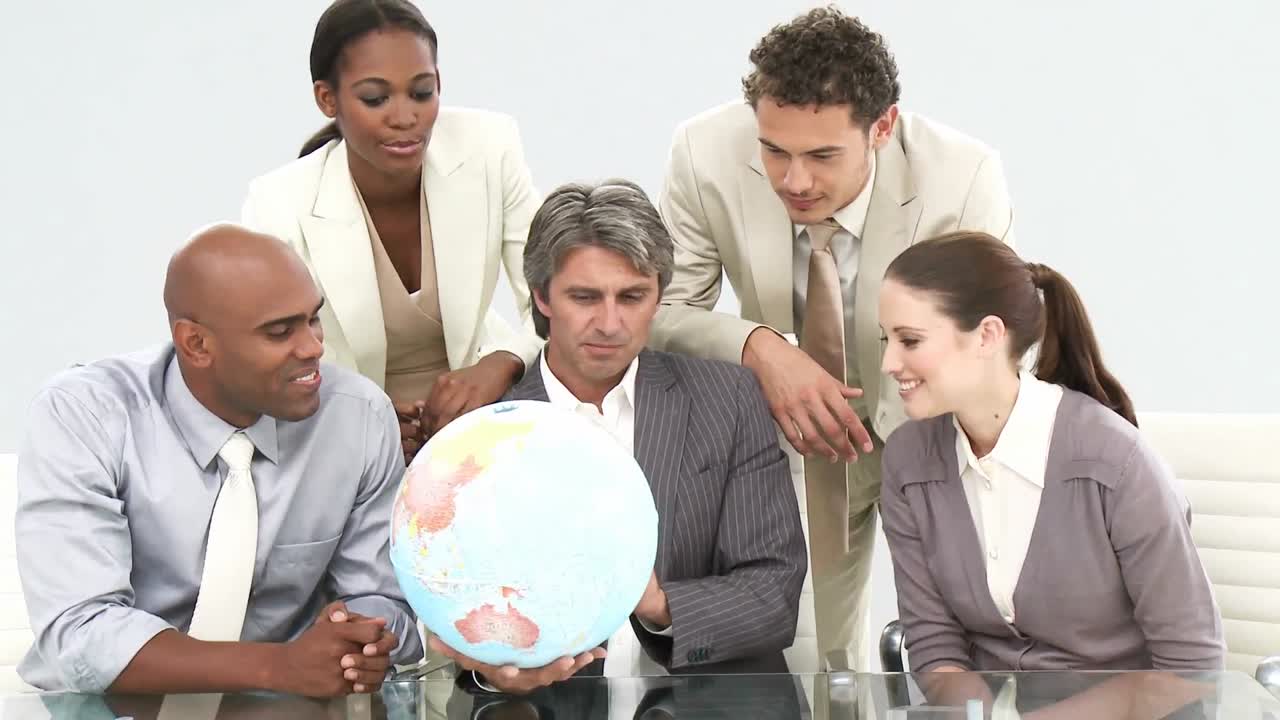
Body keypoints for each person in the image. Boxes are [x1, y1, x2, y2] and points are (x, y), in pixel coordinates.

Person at [649, 7, 1015, 670]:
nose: (794, 180)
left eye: (822, 156)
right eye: (774, 150)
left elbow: (978, 348)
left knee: (951, 652)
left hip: (930, 418)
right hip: (794, 431)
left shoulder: (961, 180)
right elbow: (666, 310)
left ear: (883, 128)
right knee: (810, 650)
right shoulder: (704, 153)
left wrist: (921, 464)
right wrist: (763, 347)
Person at [433, 180, 807, 705]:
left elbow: (774, 593)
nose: (610, 324)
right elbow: (453, 607)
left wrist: (659, 605)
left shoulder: (729, 400)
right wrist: (491, 671)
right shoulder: (485, 430)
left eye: (632, 296)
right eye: (584, 297)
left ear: (658, 295)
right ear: (540, 296)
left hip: (710, 703)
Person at [15, 225, 424, 695]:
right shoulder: (86, 416)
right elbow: (81, 632)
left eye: (313, 319)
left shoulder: (358, 416)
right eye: (280, 331)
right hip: (102, 704)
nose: (313, 347)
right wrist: (278, 666)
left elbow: (385, 601)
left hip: (286, 705)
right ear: (196, 345)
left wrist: (361, 640)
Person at [877, 231, 1224, 672]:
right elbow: (934, 643)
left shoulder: (1114, 462)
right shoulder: (908, 461)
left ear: (987, 335)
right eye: (884, 340)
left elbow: (1191, 663)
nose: (889, 363)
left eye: (909, 341)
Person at [241, 0, 543, 464]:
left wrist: (500, 366)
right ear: (327, 98)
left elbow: (555, 297)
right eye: (376, 98)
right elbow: (267, 358)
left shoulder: (488, 147)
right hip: (336, 434)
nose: (405, 117)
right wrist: (357, 421)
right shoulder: (279, 203)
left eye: (421, 93)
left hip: (485, 403)